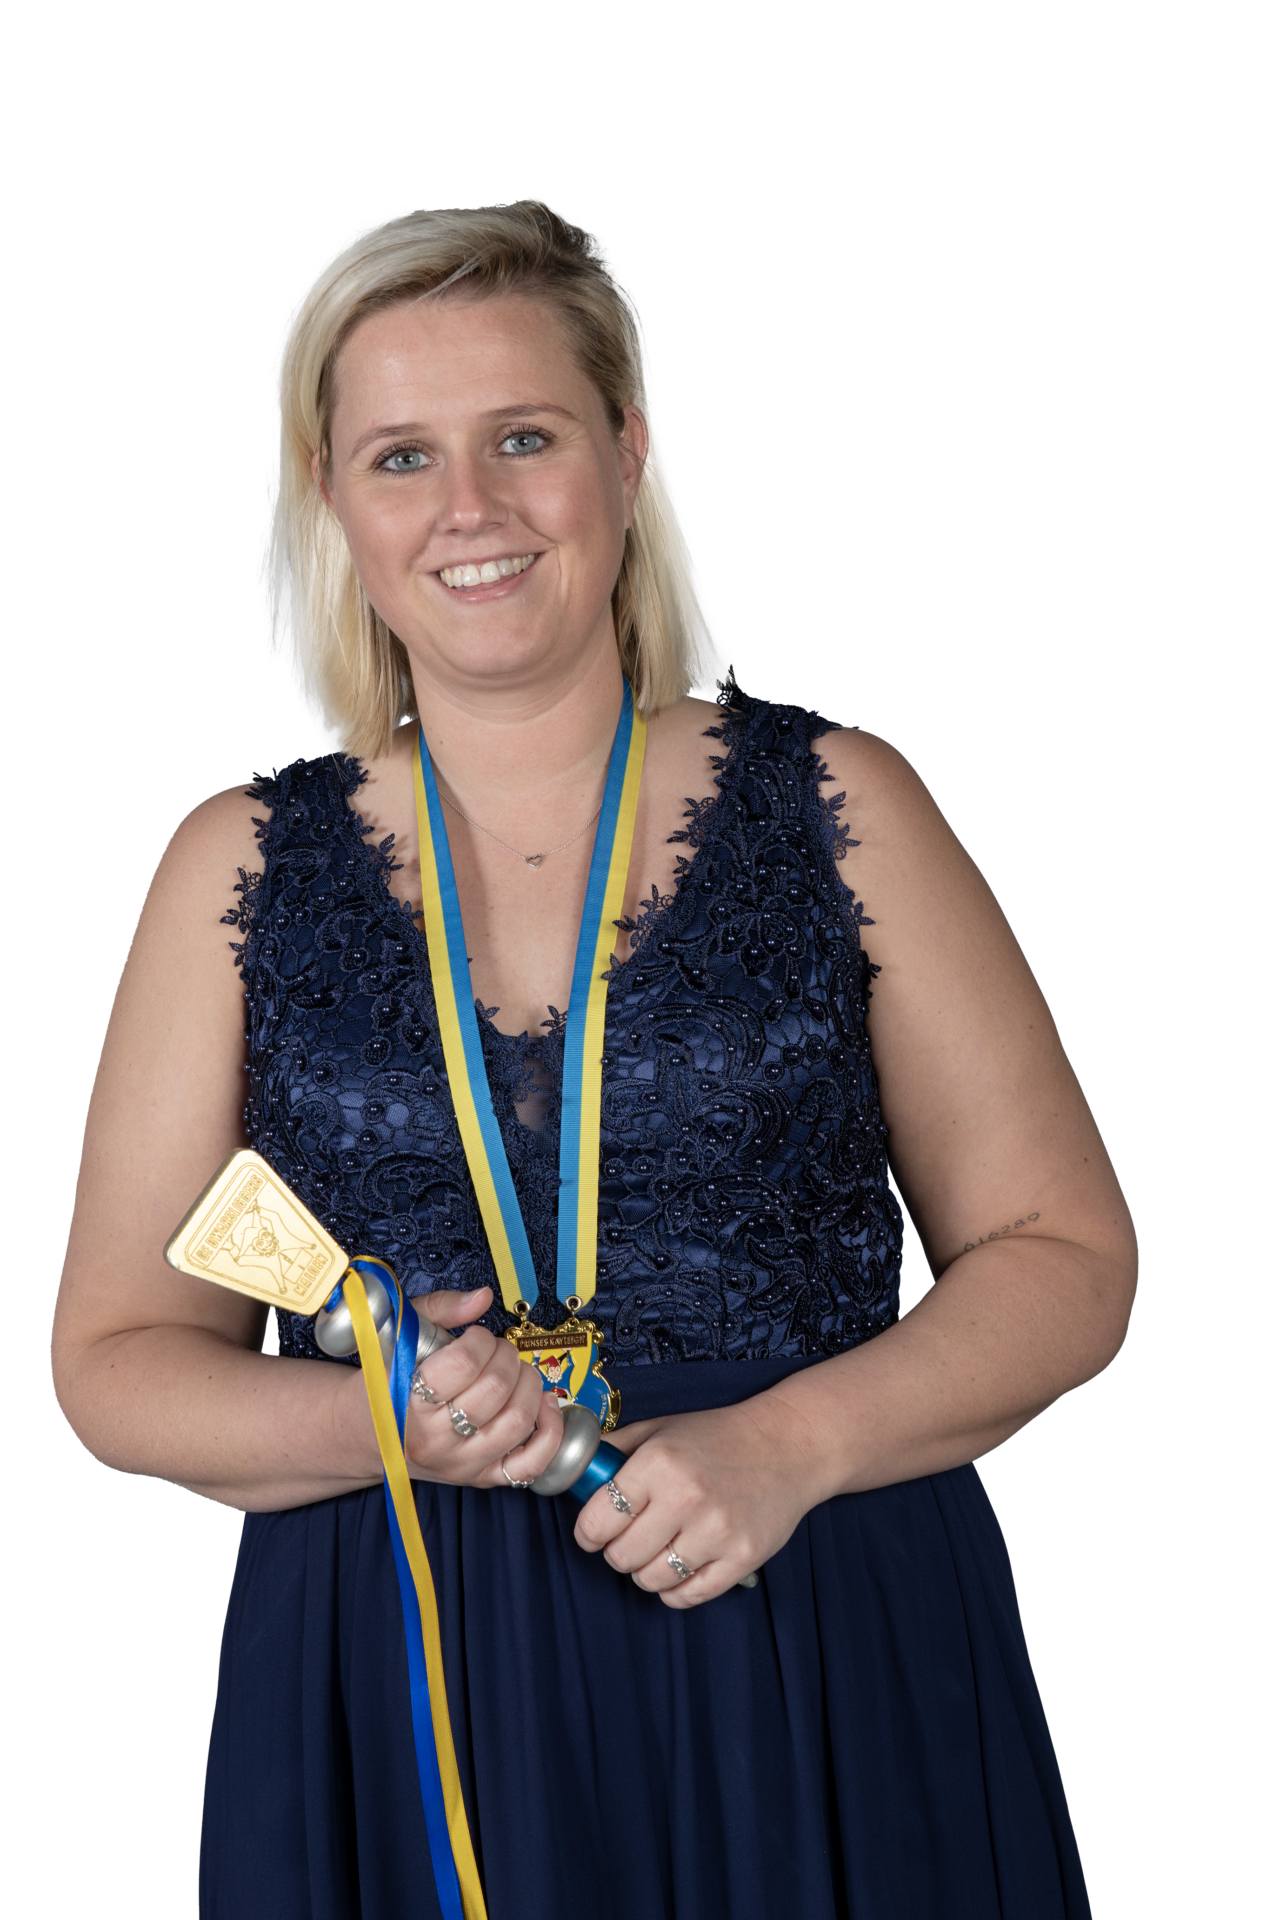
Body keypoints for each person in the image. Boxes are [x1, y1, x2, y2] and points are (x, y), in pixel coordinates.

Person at [50, 196, 1136, 1919]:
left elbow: (1068, 1256)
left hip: (812, 1626)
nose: (468, 510)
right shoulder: (226, 865)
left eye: (524, 437)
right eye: (402, 456)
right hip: (396, 1674)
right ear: (330, 498)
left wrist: (792, 1446)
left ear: (626, 456)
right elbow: (113, 1362)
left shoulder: (841, 800)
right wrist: (389, 1426)